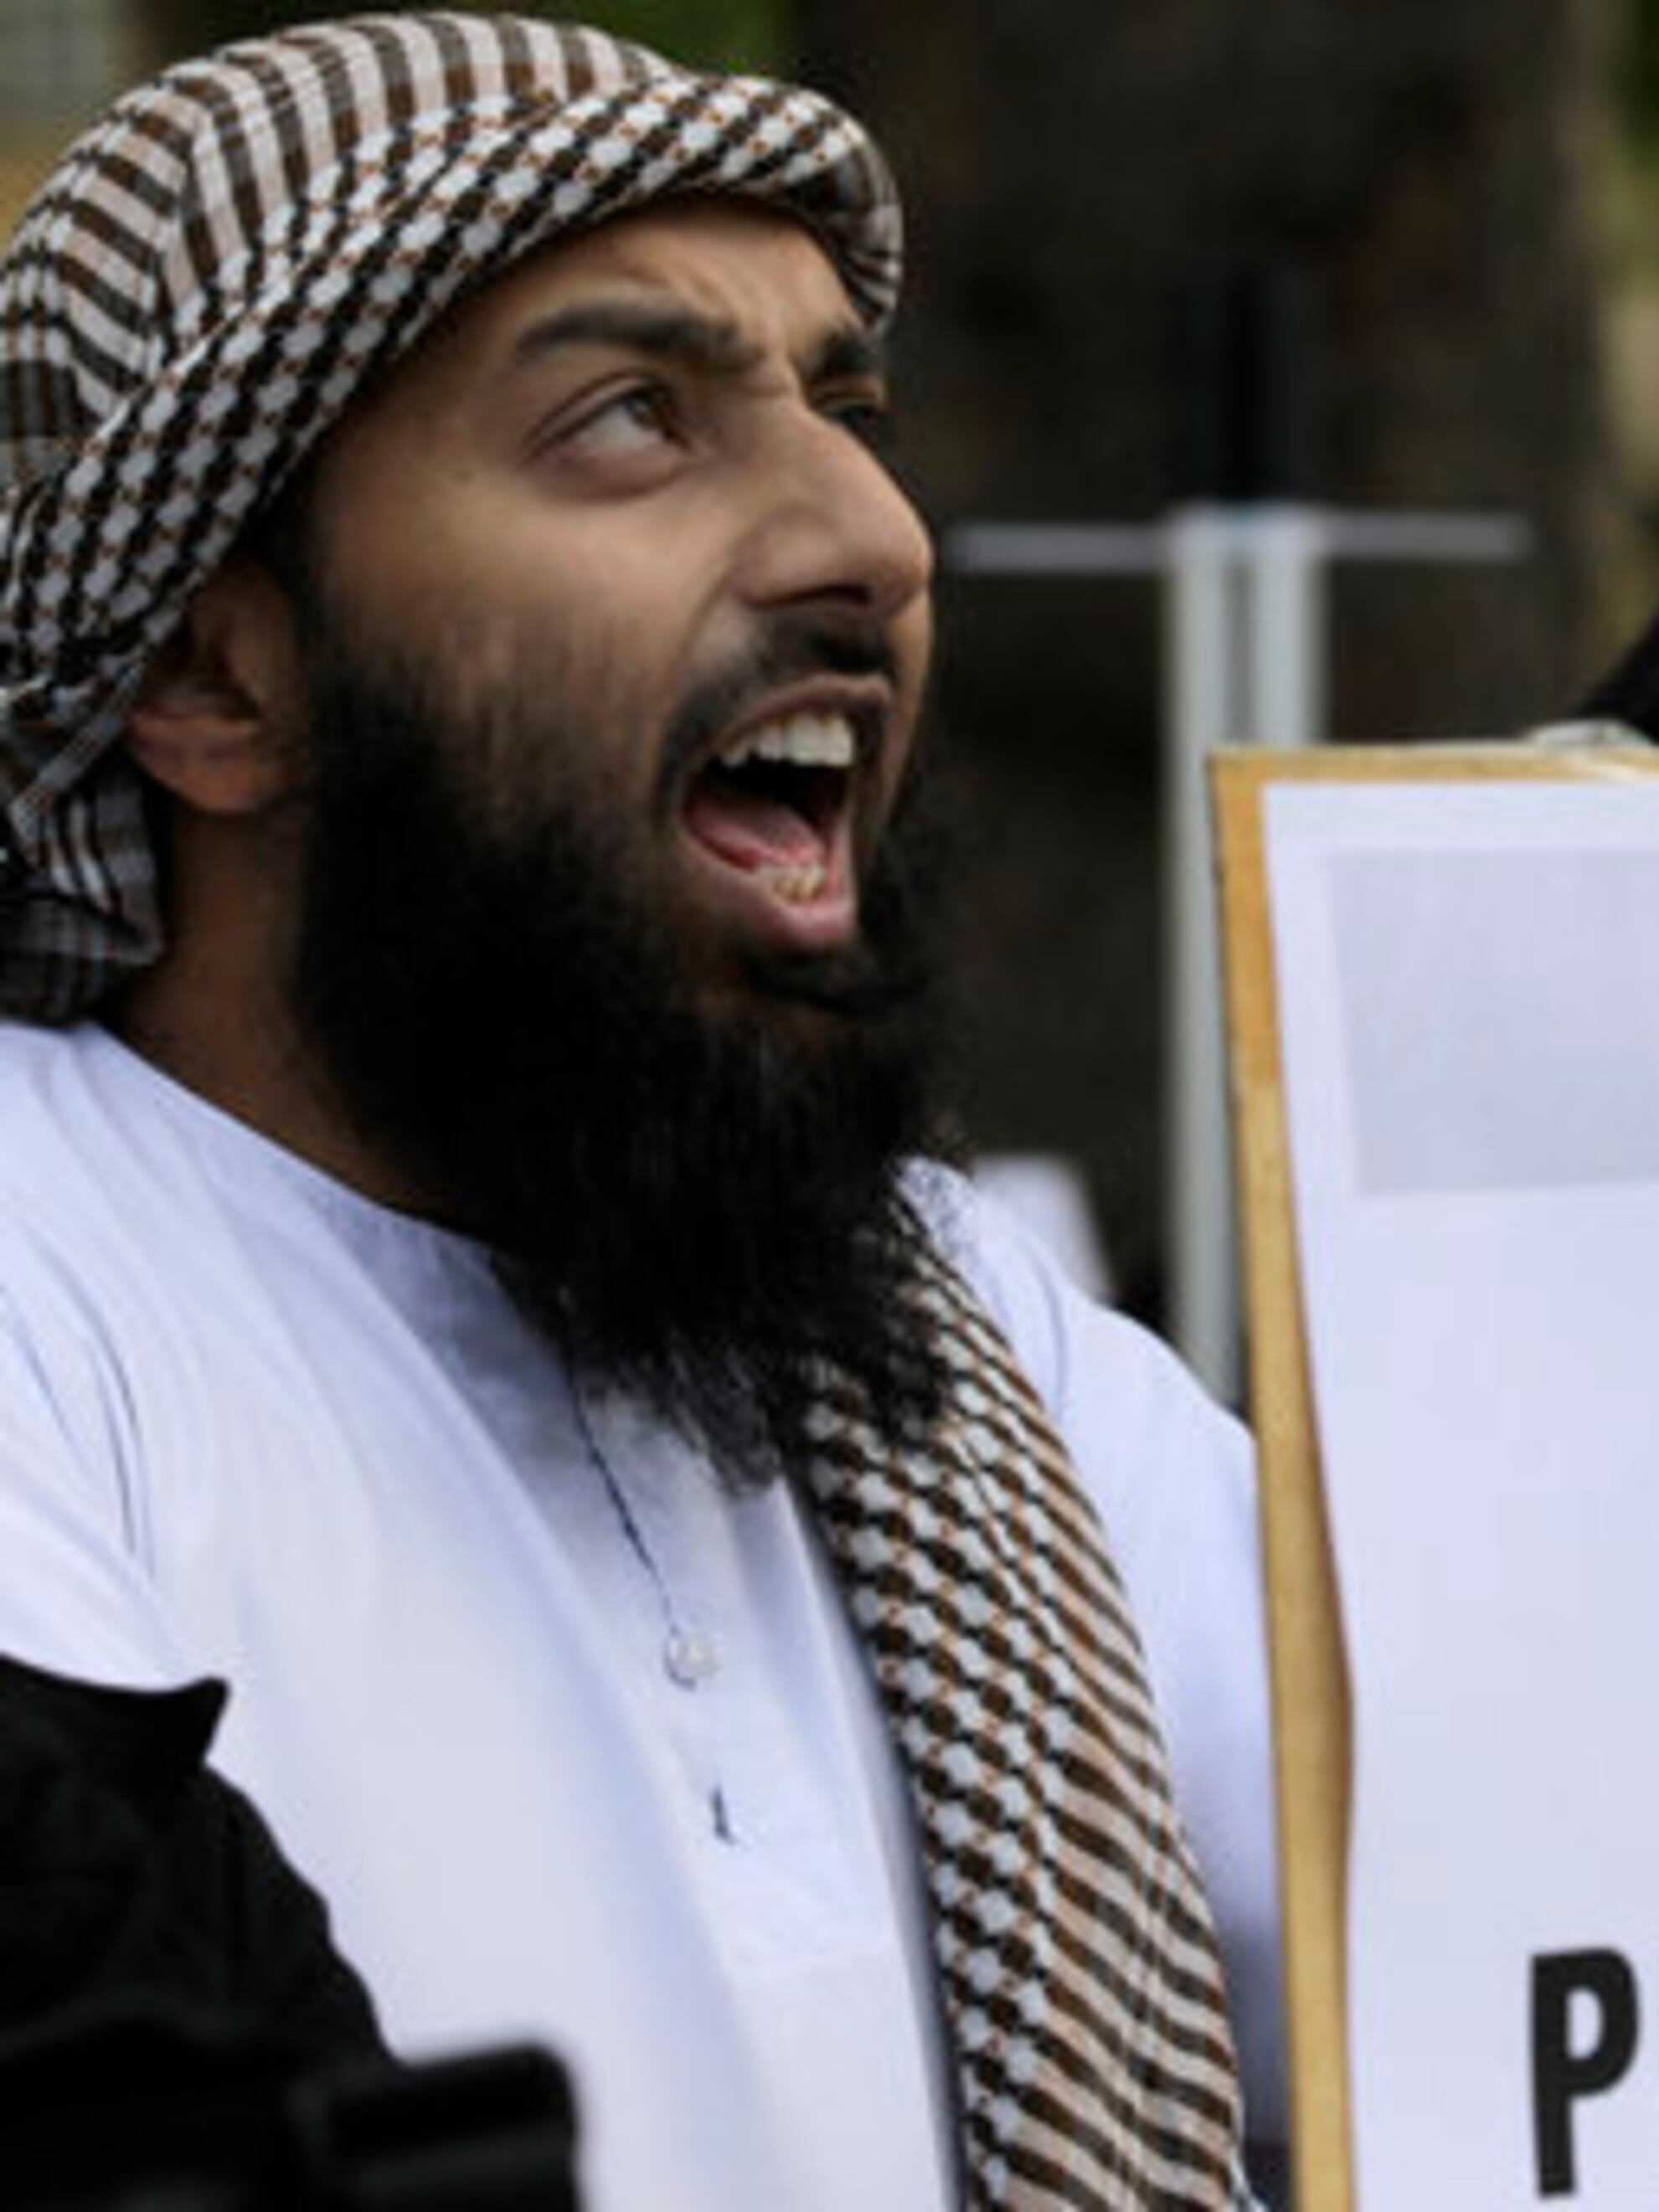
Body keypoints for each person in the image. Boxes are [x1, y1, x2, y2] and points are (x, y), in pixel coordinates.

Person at [0, 16, 1278, 2209]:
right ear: (213, 677)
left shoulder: (951, 1319)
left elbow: (1505, 1923)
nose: (871, 537)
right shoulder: (46, 1270)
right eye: (631, 423)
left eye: (842, 407)